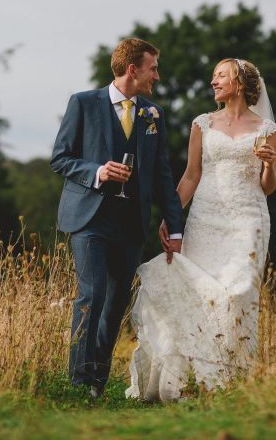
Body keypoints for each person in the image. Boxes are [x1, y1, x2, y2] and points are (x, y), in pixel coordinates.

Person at [126, 58, 276, 402]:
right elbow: (191, 176)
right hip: (205, 219)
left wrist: (269, 164)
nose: (214, 82)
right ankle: (188, 381)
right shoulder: (203, 124)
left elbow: (268, 186)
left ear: (239, 82)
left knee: (237, 293)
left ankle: (229, 379)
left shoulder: (267, 129)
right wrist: (171, 216)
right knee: (199, 293)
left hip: (247, 222)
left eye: (220, 76)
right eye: (213, 77)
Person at [50, 38, 183, 399]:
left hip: (130, 224)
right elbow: (60, 158)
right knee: (91, 294)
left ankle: (96, 380)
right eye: (152, 68)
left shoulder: (152, 114)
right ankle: (78, 381)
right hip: (89, 219)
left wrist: (176, 227)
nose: (157, 75)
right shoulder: (83, 103)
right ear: (132, 69)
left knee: (115, 302)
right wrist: (98, 172)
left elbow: (163, 175)